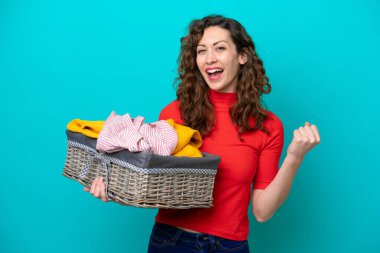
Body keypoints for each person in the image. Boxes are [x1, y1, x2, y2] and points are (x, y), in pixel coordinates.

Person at [84, 14, 320, 253]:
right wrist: (114, 189)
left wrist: (294, 158)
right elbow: (152, 183)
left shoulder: (267, 126)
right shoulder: (175, 113)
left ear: (242, 56)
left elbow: (262, 211)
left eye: (220, 48)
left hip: (230, 246)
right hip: (172, 242)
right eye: (201, 51)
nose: (209, 59)